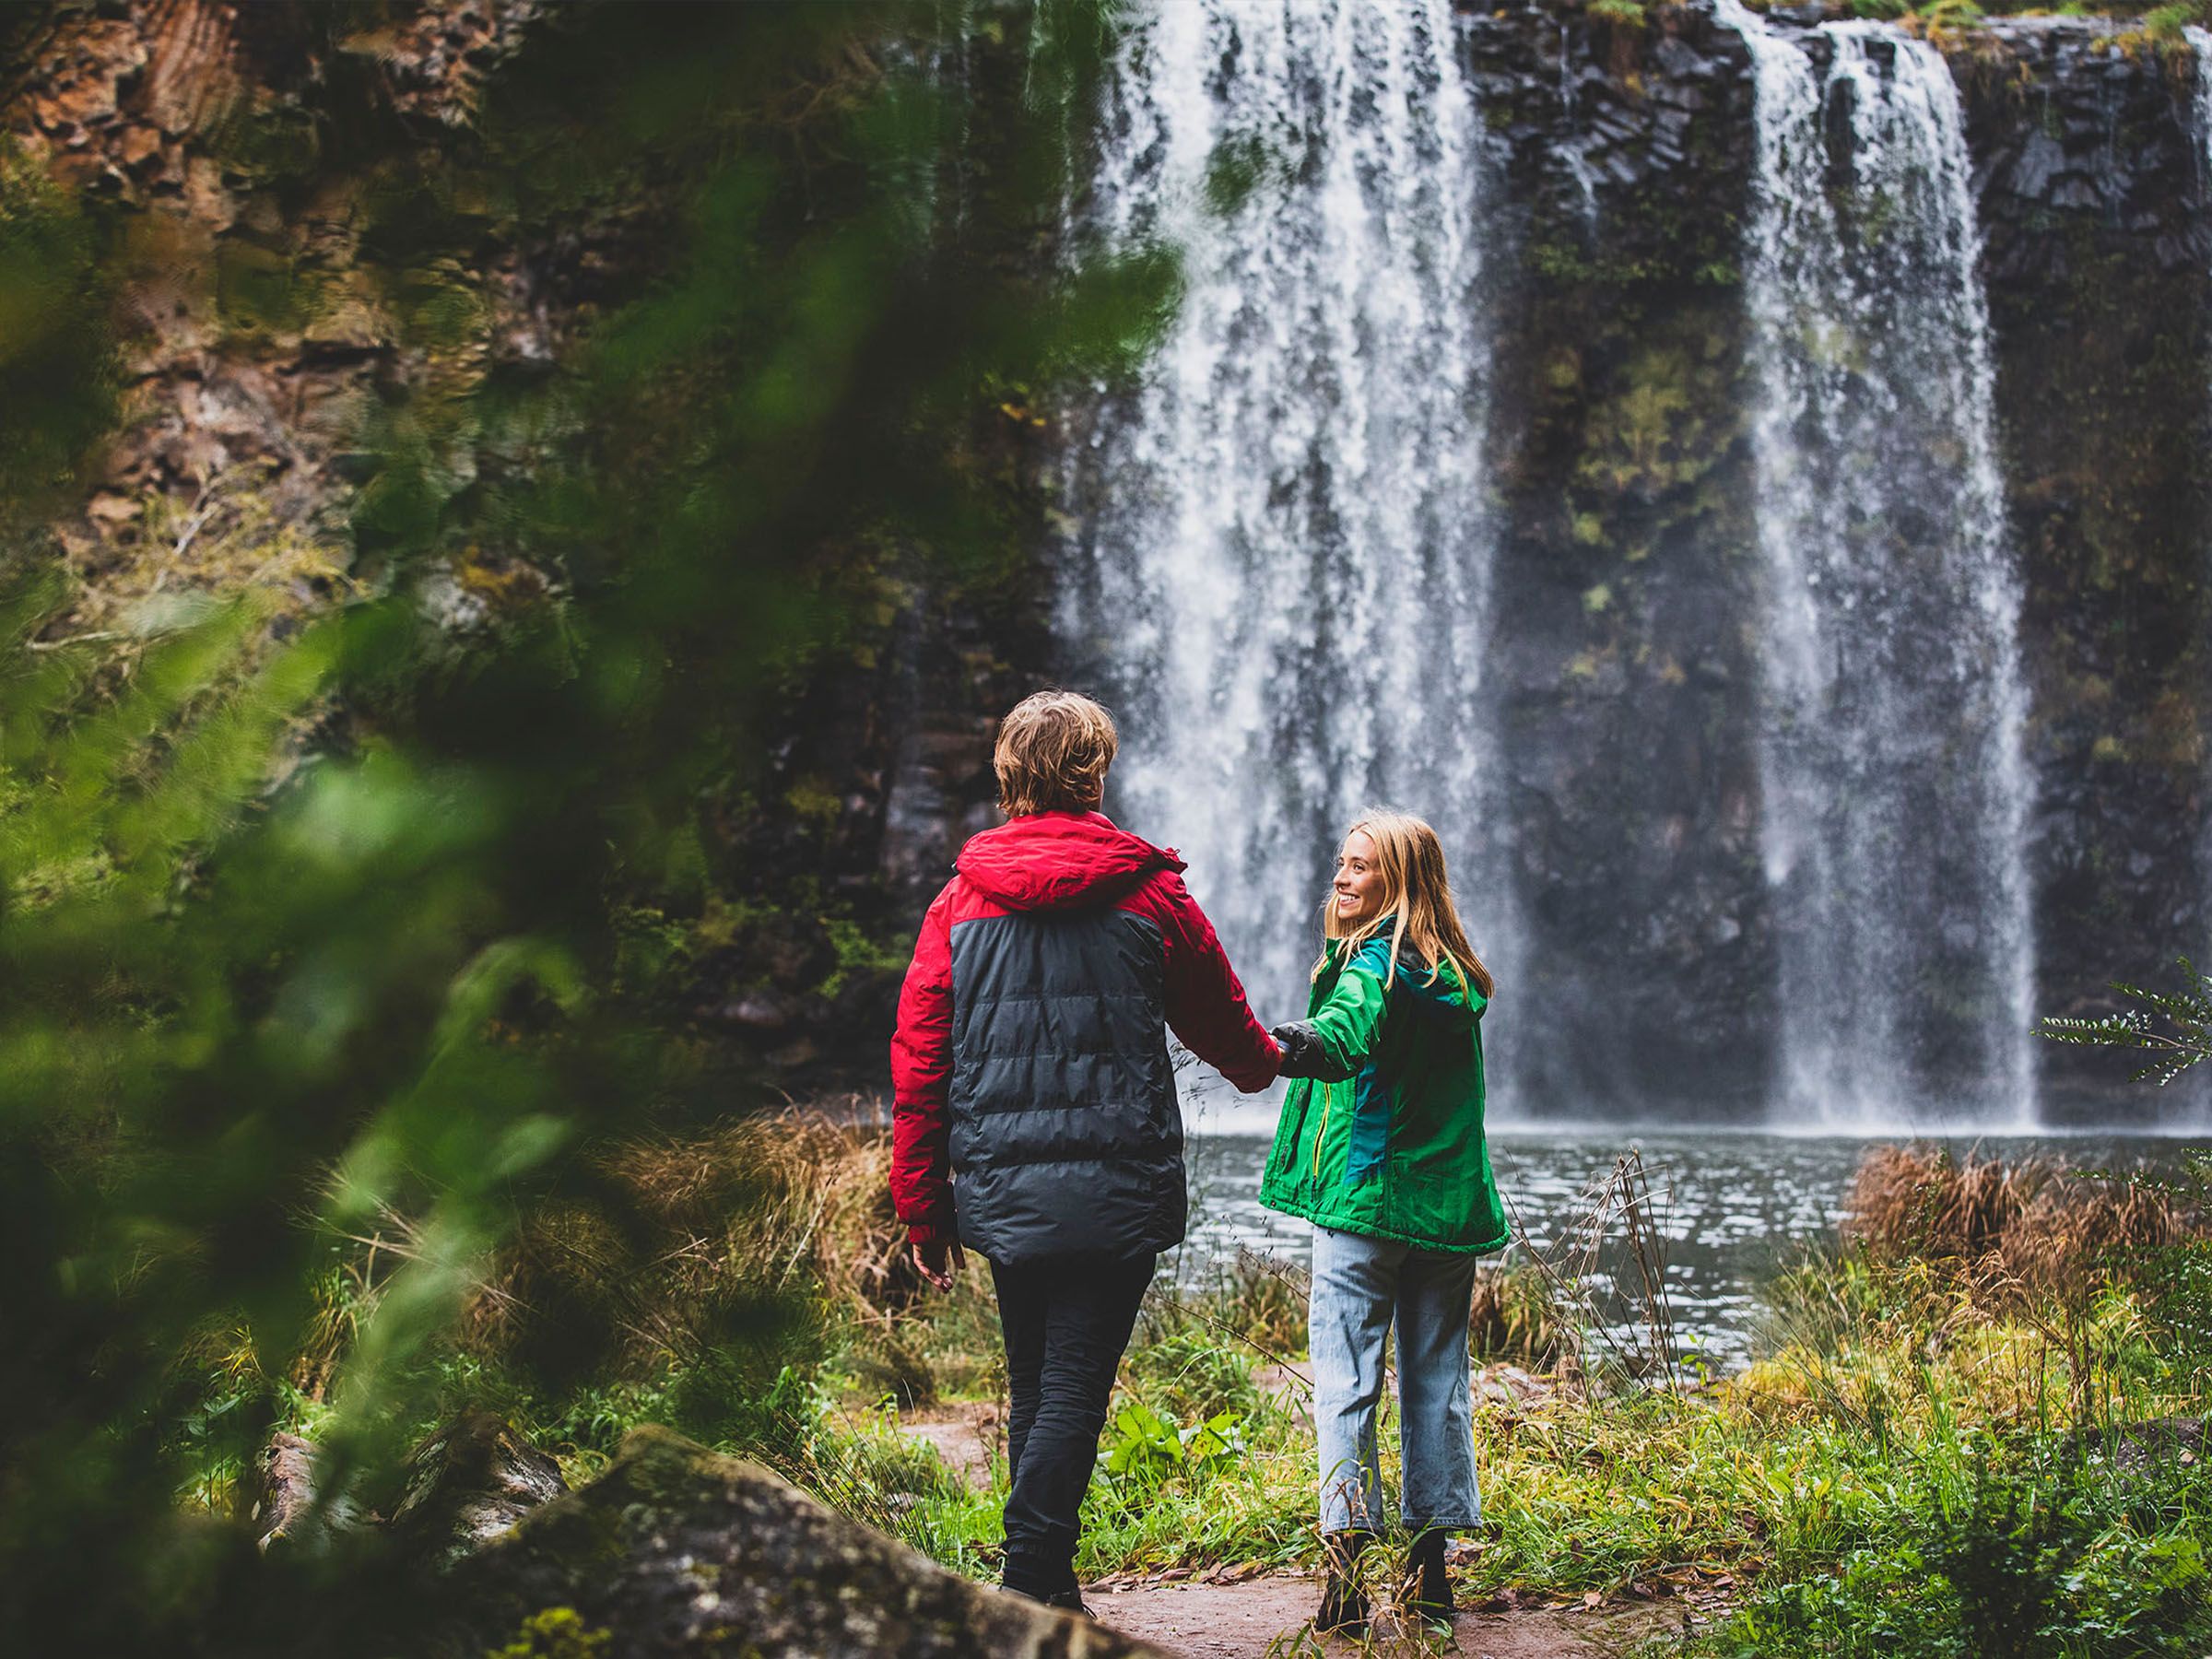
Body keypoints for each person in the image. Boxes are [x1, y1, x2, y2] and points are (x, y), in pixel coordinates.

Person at [888, 688, 1280, 1611]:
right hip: (1117, 1184)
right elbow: (1227, 1028)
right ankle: (1029, 1578)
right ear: (1093, 771)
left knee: (1038, 1384)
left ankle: (1046, 1587)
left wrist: (922, 1207)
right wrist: (1272, 1063)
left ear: (1007, 776)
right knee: (1070, 1391)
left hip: (1003, 1189)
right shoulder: (1151, 893)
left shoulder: (958, 904)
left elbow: (918, 1061)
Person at [1257, 808, 1505, 1636]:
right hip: (1442, 1211)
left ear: (1399, 881)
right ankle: (1431, 1578)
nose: (1342, 877)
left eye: (1361, 866)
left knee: (1346, 1385)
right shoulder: (1455, 975)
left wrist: (1278, 1046)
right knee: (1437, 1385)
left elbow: (1346, 1030)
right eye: (1343, 861)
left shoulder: (1374, 961)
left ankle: (1345, 1579)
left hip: (1365, 1204)